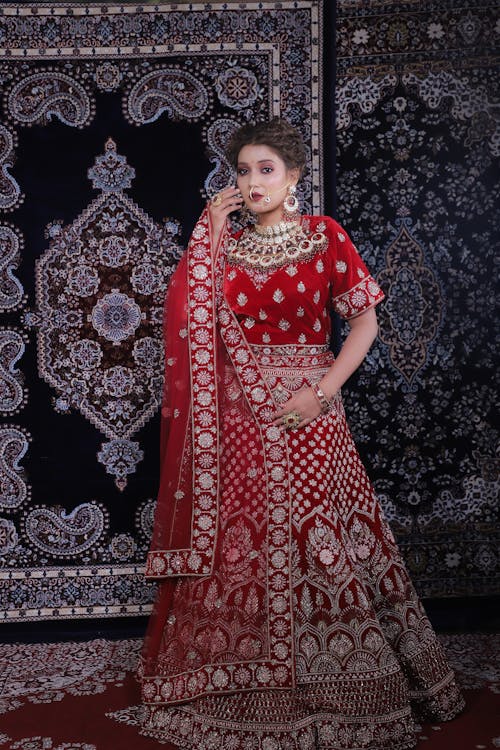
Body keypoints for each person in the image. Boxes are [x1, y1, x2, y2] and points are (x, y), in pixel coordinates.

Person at [139, 118, 464, 749]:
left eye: (266, 169)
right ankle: (241, 681)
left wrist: (321, 392)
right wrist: (205, 234)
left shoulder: (325, 237)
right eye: (242, 171)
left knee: (323, 543)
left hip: (311, 411)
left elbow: (364, 323)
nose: (253, 182)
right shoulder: (222, 246)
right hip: (236, 422)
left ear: (294, 177)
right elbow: (185, 316)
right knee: (242, 546)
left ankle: (339, 683)